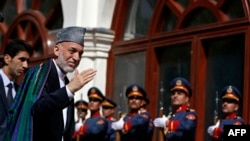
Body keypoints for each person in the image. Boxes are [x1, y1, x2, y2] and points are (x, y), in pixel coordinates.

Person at [7, 26, 97, 141]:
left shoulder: (66, 81)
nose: (76, 58)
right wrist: (69, 90)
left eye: (80, 53)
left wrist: (69, 89)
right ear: (56, 50)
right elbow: (36, 109)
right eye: (72, 51)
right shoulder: (40, 73)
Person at [0, 39, 33, 140]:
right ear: (7, 59)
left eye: (27, 61)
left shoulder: (20, 91)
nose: (25, 65)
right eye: (22, 59)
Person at [153, 77, 198, 141]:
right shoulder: (170, 117)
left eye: (179, 94)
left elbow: (188, 126)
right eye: (173, 93)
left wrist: (167, 123)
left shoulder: (190, 114)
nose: (175, 96)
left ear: (186, 98)